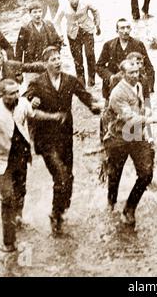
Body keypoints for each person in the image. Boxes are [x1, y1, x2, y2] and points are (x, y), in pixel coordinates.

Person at [0, 79, 65, 253]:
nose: (16, 96)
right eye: (11, 93)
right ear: (1, 95)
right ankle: (8, 243)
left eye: (17, 92)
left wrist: (53, 117)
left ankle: (18, 218)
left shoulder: (21, 103)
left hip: (20, 156)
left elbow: (33, 114)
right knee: (7, 198)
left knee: (21, 190)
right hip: (1, 160)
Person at [24, 46, 101, 235]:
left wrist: (95, 106)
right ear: (45, 64)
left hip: (65, 136)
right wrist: (31, 101)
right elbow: (25, 102)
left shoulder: (70, 80)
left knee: (69, 176)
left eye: (59, 58)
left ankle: (62, 209)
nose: (57, 62)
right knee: (61, 177)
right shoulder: (37, 82)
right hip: (45, 138)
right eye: (52, 59)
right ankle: (55, 216)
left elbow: (85, 97)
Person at [102, 59, 157, 227]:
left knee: (146, 174)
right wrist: (152, 120)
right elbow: (129, 117)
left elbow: (141, 106)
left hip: (136, 136)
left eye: (137, 72)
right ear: (122, 74)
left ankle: (129, 208)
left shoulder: (139, 85)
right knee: (115, 175)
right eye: (131, 73)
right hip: (119, 138)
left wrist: (147, 124)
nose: (135, 75)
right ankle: (111, 204)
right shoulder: (117, 93)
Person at [96, 18, 155, 100]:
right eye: (122, 28)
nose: (125, 31)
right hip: (114, 86)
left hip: (133, 85)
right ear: (117, 31)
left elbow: (148, 67)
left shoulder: (138, 45)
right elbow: (99, 66)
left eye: (128, 27)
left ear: (131, 29)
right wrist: (110, 77)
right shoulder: (109, 45)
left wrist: (149, 88)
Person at [0, 45, 45, 110]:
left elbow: (29, 67)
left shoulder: (11, 65)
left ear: (2, 56)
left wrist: (47, 66)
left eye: (0, 58)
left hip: (11, 102)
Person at [54, 0, 101, 87]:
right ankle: (80, 79)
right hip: (73, 34)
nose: (75, 1)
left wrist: (97, 24)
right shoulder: (63, 7)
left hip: (87, 31)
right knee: (77, 59)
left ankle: (92, 78)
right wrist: (60, 35)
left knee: (90, 54)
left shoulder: (85, 3)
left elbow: (96, 10)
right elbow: (57, 21)